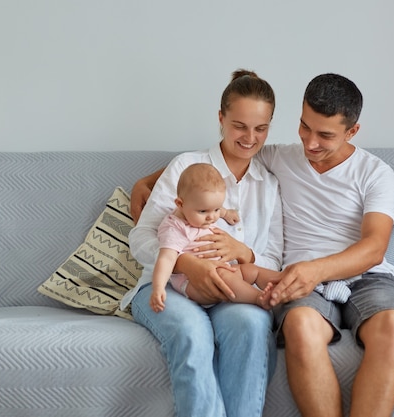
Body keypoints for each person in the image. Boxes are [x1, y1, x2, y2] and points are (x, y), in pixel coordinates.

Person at [130, 73, 394, 417]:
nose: (310, 143)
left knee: (259, 327)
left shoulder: (353, 173)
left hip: (281, 283)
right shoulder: (259, 161)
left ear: (352, 131)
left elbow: (364, 248)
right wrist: (148, 183)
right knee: (238, 331)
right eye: (304, 127)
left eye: (325, 135)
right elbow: (207, 167)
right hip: (211, 284)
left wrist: (259, 258)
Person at [120, 69, 283, 417]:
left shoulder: (268, 185)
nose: (250, 137)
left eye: (261, 128)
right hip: (170, 289)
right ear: (221, 119)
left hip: (231, 290)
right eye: (239, 125)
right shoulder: (186, 167)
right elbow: (141, 237)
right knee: (191, 332)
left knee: (252, 326)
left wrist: (245, 253)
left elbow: (273, 256)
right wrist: (188, 265)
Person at [151, 162, 280, 313]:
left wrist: (225, 213)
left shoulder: (200, 208)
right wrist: (158, 288)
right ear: (180, 204)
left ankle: (283, 285)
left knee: (252, 270)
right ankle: (259, 298)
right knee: (225, 275)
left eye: (217, 209)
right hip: (196, 284)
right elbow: (166, 259)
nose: (212, 217)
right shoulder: (175, 228)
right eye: (203, 211)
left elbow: (211, 206)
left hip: (222, 269)